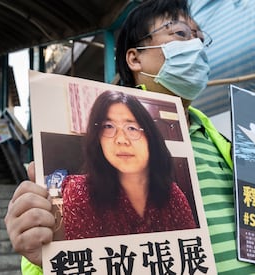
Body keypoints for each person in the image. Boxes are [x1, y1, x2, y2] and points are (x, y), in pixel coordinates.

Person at [5, 0, 255, 274]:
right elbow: (68, 256)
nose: (197, 45)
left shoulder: (225, 145)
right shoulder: (76, 187)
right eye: (181, 33)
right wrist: (39, 256)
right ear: (135, 57)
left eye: (201, 37)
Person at [62, 90, 196, 240]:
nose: (121, 139)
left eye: (131, 128)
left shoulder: (172, 194)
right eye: (108, 126)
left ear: (151, 137)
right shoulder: (80, 191)